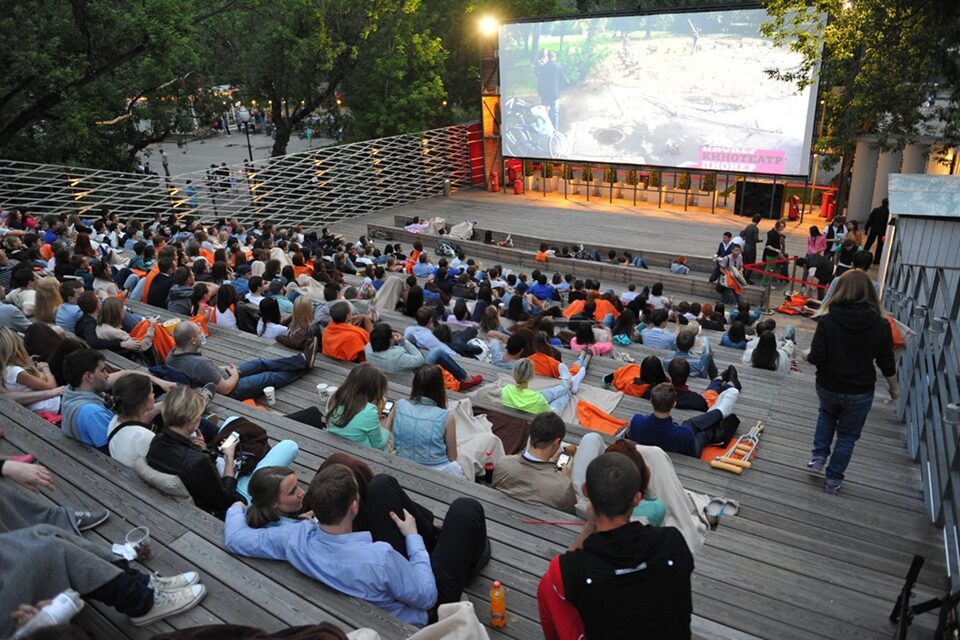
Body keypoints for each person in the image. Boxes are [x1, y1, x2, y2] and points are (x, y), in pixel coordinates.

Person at [224, 462, 490, 627]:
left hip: (379, 574)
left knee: (382, 484)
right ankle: (472, 557)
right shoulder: (379, 557)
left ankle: (432, 537)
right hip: (426, 606)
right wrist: (412, 537)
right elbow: (426, 596)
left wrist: (237, 505)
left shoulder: (292, 538)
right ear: (354, 506)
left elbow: (235, 538)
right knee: (465, 510)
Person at [537, 452, 693, 639]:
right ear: (637, 498)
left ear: (586, 491)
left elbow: (559, 571)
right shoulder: (673, 542)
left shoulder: (574, 569)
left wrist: (588, 528)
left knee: (549, 584)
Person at [806, 270, 898, 495]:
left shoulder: (828, 320)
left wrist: (805, 354)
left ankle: (818, 457)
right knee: (847, 435)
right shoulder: (881, 325)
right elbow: (886, 360)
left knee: (826, 415)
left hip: (828, 384)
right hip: (860, 390)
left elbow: (817, 357)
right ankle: (834, 480)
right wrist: (893, 387)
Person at [146, 385, 299, 517]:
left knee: (232, 420)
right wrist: (229, 458)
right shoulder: (197, 461)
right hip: (235, 500)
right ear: (192, 420)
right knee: (289, 446)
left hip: (202, 484)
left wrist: (203, 449)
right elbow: (227, 500)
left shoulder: (156, 442)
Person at [166, 321, 314, 401]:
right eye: (199, 334)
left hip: (220, 376)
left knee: (259, 363)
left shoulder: (172, 355)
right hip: (230, 390)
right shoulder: (198, 364)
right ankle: (305, 367)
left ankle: (300, 360)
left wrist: (224, 369)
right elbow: (225, 389)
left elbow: (202, 373)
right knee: (268, 377)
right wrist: (234, 374)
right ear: (192, 341)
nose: (202, 335)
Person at [493, 412, 605, 515]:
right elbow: (572, 510)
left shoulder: (502, 463)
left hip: (513, 510)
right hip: (562, 495)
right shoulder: (562, 485)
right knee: (592, 438)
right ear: (556, 443)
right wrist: (565, 478)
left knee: (565, 453)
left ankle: (563, 450)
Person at [385, 365, 463, 478]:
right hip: (438, 472)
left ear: (415, 384)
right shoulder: (447, 417)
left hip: (403, 464)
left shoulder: (399, 405)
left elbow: (388, 436)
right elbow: (453, 457)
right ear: (439, 387)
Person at [628, 383, 740, 458]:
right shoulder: (684, 433)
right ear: (674, 404)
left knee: (690, 424)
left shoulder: (637, 420)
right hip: (690, 451)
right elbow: (691, 452)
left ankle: (719, 412)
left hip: (666, 436)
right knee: (703, 432)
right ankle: (720, 412)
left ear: (651, 400)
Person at [402, 309, 483, 389]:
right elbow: (450, 353)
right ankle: (465, 379)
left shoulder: (408, 330)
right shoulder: (430, 337)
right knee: (441, 350)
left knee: (459, 337)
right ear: (431, 320)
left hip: (413, 359)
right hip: (419, 368)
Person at [326, 364, 392, 451]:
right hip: (360, 454)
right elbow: (379, 446)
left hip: (333, 446)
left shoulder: (334, 397)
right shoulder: (369, 410)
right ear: (373, 391)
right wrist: (388, 423)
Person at [105, 373, 160, 467]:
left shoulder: (115, 420)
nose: (154, 394)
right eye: (151, 392)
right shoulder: (145, 437)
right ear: (141, 400)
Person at [501, 357, 586, 416]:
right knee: (560, 398)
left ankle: (567, 384)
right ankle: (569, 386)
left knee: (550, 393)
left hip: (534, 399)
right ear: (532, 375)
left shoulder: (505, 390)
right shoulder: (539, 399)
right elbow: (549, 414)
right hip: (548, 412)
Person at [668, 358, 741, 412]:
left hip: (699, 400)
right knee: (712, 392)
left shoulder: (661, 393)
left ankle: (719, 379)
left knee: (709, 391)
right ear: (688, 376)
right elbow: (708, 406)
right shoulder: (693, 398)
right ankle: (728, 383)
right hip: (707, 405)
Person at [761, 220, 787, 288]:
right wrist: (776, 250)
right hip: (771, 254)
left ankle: (767, 283)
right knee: (769, 270)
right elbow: (767, 245)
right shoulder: (772, 234)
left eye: (783, 226)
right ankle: (764, 284)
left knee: (771, 270)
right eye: (781, 226)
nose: (782, 228)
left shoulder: (777, 233)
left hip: (774, 254)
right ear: (777, 226)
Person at [864, 197, 889, 264]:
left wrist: (866, 228)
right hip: (882, 230)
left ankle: (863, 256)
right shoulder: (888, 212)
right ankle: (876, 260)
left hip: (874, 228)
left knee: (869, 243)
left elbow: (870, 220)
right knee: (880, 245)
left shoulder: (876, 210)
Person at [740, 214, 762, 284]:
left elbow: (743, 235)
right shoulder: (755, 228)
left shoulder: (748, 226)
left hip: (745, 247)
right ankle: (747, 279)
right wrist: (760, 240)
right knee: (751, 264)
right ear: (759, 221)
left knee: (745, 263)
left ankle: (741, 277)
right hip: (752, 248)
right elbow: (755, 239)